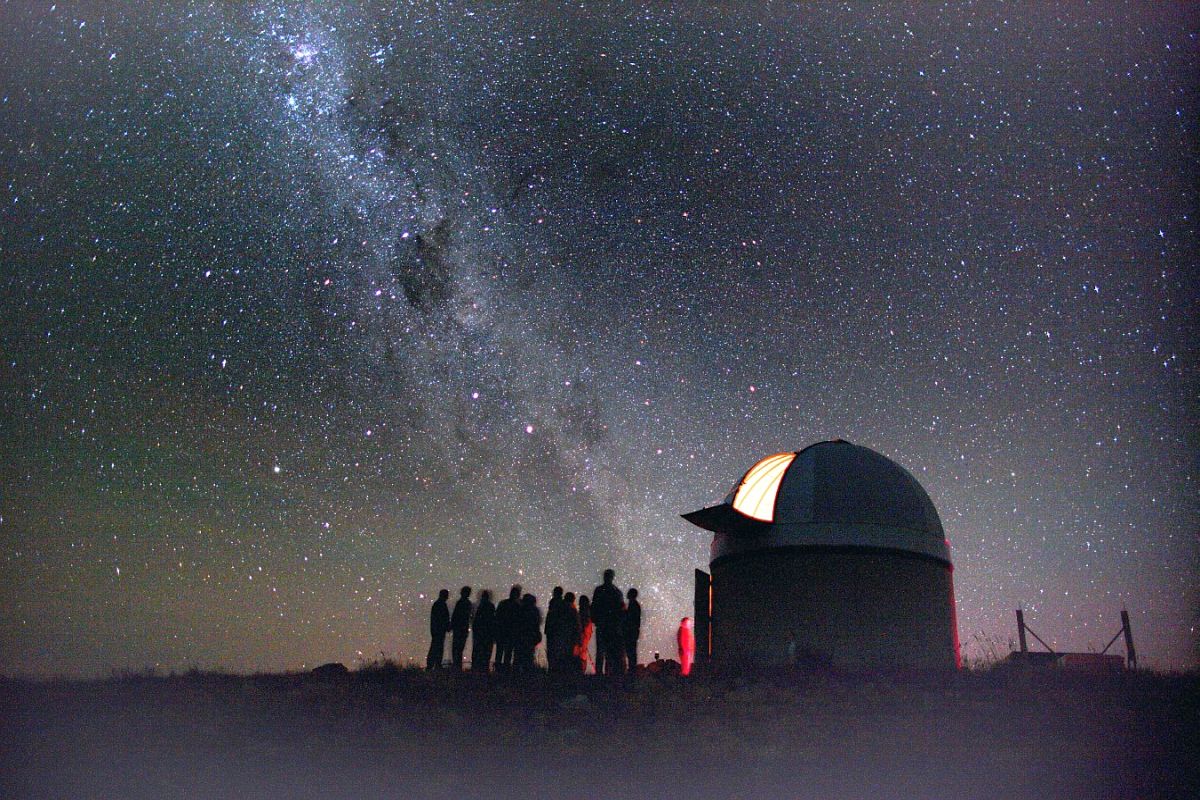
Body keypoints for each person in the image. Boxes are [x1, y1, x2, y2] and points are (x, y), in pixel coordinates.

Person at [591, 568, 625, 675]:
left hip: (603, 624)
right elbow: (621, 610)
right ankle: (607, 674)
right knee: (608, 651)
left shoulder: (599, 590)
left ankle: (600, 673)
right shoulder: (616, 592)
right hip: (611, 625)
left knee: (601, 651)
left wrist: (595, 619)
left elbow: (594, 606)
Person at [549, 591, 581, 673]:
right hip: (569, 638)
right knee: (568, 657)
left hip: (559, 636)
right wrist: (578, 640)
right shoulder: (573, 610)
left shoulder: (558, 608)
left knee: (559, 657)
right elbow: (577, 626)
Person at [494, 585, 521, 673]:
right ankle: (505, 671)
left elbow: (497, 618)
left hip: (502, 632)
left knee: (500, 652)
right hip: (510, 633)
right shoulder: (517, 606)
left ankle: (498, 670)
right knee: (507, 653)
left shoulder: (503, 603)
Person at [515, 593, 543, 673]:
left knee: (519, 656)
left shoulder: (520, 610)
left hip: (521, 637)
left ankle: (517, 673)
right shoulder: (535, 611)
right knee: (529, 656)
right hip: (530, 637)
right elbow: (536, 625)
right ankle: (527, 673)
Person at [470, 589, 496, 672]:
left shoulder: (478, 606)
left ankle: (475, 667)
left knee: (477, 649)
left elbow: (475, 620)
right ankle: (484, 668)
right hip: (487, 632)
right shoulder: (490, 606)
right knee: (486, 651)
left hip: (479, 632)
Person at [449, 586, 473, 670]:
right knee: (459, 648)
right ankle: (457, 666)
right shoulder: (468, 603)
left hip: (458, 628)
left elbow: (455, 616)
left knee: (456, 648)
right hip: (463, 628)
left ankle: (456, 666)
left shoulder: (460, 603)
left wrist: (451, 626)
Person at [426, 589, 450, 670]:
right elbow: (443, 618)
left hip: (437, 630)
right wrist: (447, 626)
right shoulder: (441, 604)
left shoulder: (438, 604)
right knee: (437, 647)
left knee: (435, 647)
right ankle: (434, 665)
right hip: (439, 630)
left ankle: (433, 664)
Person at [544, 586, 565, 672]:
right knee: (556, 651)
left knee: (552, 651)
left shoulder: (553, 604)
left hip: (553, 631)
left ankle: (552, 669)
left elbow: (550, 618)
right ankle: (555, 670)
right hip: (556, 631)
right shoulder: (562, 604)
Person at [622, 587, 642, 672]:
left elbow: (629, 619)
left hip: (630, 632)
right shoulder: (634, 605)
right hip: (633, 632)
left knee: (631, 652)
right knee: (631, 652)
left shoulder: (633, 605)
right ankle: (632, 670)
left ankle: (632, 671)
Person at [576, 594, 594, 674]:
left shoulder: (583, 613)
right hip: (586, 634)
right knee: (583, 652)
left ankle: (581, 670)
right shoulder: (588, 612)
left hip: (583, 634)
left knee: (581, 652)